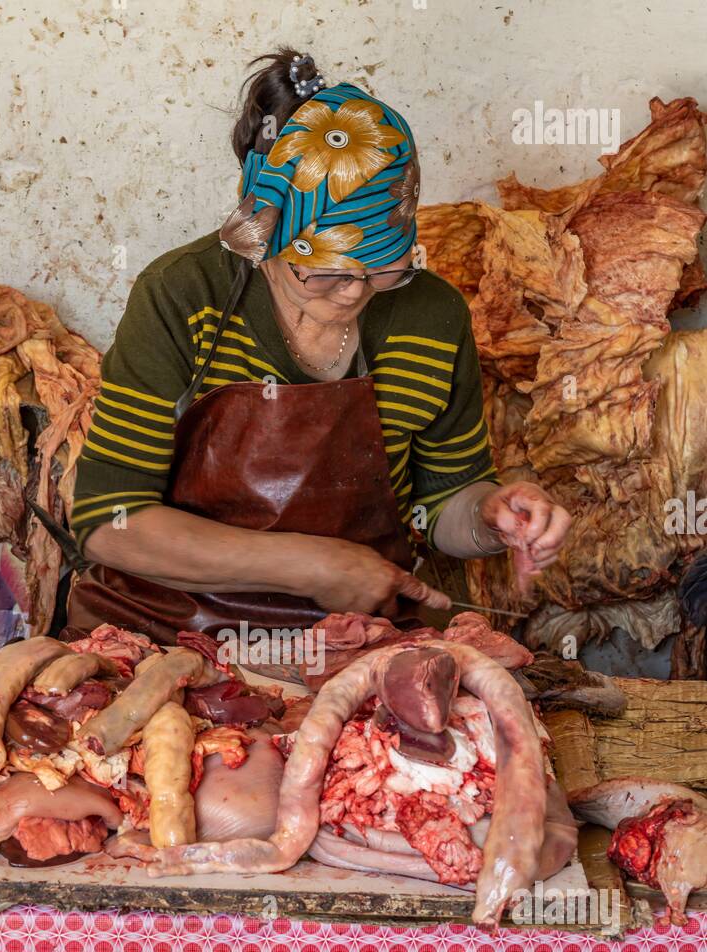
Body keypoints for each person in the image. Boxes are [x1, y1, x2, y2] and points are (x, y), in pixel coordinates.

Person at [67, 49, 570, 644]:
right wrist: (311, 565)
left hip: (349, 634)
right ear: (264, 238)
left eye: (383, 268)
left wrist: (492, 516)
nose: (355, 292)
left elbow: (444, 502)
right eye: (326, 272)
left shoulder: (433, 315)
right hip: (166, 628)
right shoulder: (181, 296)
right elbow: (109, 521)